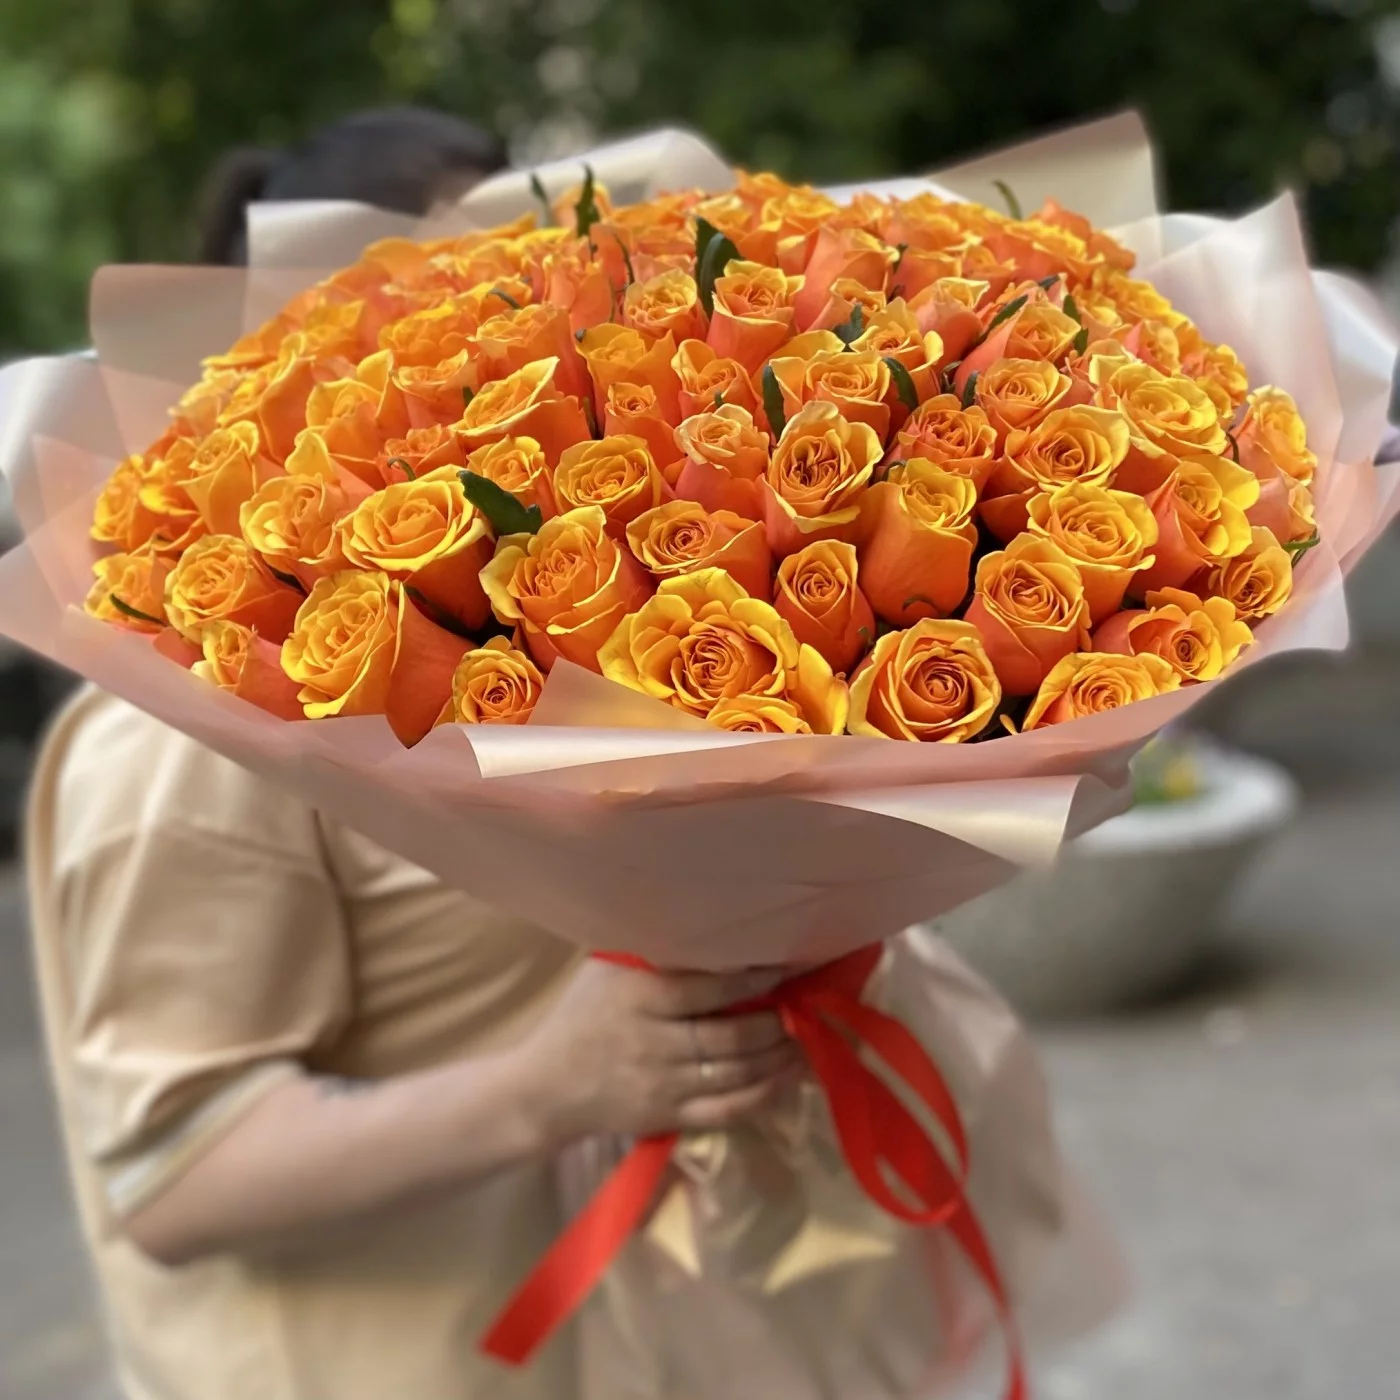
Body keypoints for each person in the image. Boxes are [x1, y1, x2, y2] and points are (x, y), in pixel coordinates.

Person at [25, 108, 801, 1400]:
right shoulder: (186, 722)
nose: (509, 340)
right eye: (442, 305)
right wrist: (555, 1084)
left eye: (539, 280)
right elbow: (171, 1177)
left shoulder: (540, 602)